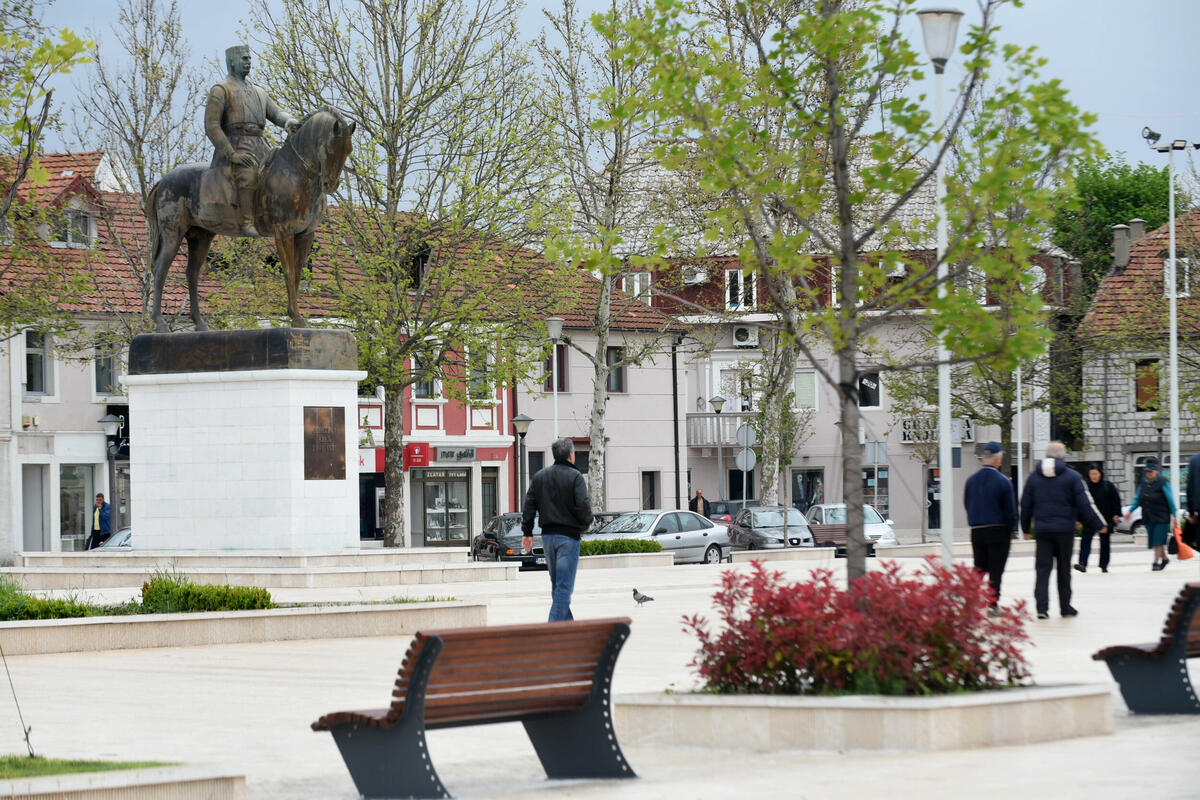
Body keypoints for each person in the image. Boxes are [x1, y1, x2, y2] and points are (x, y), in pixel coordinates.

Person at [204, 45, 300, 236]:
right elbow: (212, 125)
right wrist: (231, 153)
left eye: (249, 58)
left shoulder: (259, 92)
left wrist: (289, 121)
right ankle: (247, 221)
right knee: (248, 172)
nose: (249, 62)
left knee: (283, 171)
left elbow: (276, 113)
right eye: (244, 58)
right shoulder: (221, 90)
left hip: (260, 145)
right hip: (235, 145)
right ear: (232, 61)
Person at [1020, 441, 1106, 619]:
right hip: (1064, 531)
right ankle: (1065, 607)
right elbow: (1084, 504)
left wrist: (1025, 528)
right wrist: (1098, 524)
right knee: (1064, 569)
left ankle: (1042, 608)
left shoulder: (1034, 477)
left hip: (1043, 531)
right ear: (1064, 457)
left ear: (1046, 455)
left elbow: (1025, 505)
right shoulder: (1072, 477)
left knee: (1042, 570)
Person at [522, 438, 592, 621]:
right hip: (568, 537)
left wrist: (527, 532)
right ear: (571, 455)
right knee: (564, 587)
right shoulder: (576, 477)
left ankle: (568, 628)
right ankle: (552, 629)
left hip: (548, 537)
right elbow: (583, 505)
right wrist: (586, 523)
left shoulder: (539, 477)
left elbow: (529, 505)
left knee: (558, 586)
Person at [963, 441, 1016, 612]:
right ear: (998, 458)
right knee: (996, 570)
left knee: (979, 568)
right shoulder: (1003, 482)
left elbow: (967, 504)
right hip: (998, 530)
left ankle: (970, 601)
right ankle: (992, 605)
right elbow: (1010, 510)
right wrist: (1011, 529)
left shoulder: (971, 481)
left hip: (977, 530)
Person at [1125, 459, 1177, 571]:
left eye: (1151, 471)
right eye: (1147, 471)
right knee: (1155, 541)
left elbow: (1170, 499)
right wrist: (1130, 510)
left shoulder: (1163, 482)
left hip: (1161, 517)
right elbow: (1138, 498)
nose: (1148, 473)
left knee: (1158, 541)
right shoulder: (1143, 483)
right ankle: (1165, 559)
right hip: (1149, 517)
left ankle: (1155, 563)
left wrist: (1175, 514)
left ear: (1156, 471)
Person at [1076, 464, 1122, 573]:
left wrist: (1116, 514)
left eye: (1095, 474)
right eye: (1091, 474)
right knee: (1085, 541)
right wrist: (1078, 519)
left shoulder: (1108, 486)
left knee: (1105, 543)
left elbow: (1116, 501)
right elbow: (1080, 503)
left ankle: (1104, 565)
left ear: (1100, 474)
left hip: (1105, 519)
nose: (1094, 476)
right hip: (1089, 518)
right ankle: (1082, 563)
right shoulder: (1085, 487)